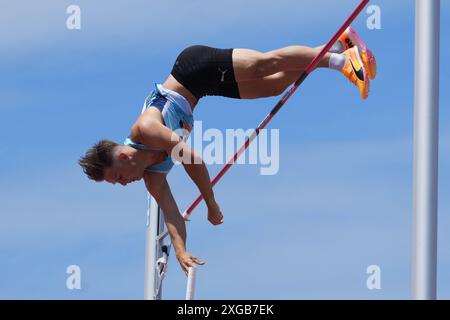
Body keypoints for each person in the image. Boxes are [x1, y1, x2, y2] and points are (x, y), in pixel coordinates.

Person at [79, 27, 377, 274]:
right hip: (201, 90)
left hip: (192, 68)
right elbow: (171, 214)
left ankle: (343, 62)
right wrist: (180, 250)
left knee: (264, 64)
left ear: (121, 156)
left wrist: (210, 202)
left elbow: (191, 158)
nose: (122, 184)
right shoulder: (151, 177)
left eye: (117, 178)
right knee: (273, 86)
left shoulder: (144, 129)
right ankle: (338, 46)